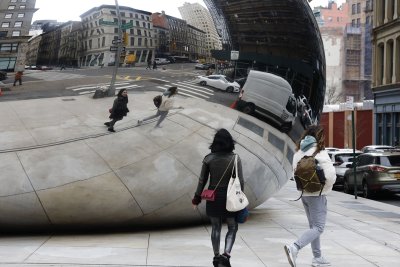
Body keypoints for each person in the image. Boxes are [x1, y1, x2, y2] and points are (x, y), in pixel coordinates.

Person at [284, 125, 336, 267]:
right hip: (317, 194)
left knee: (313, 226)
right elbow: (330, 175)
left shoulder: (298, 152)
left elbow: (294, 175)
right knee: (318, 227)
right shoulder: (320, 152)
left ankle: (317, 257)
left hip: (305, 194)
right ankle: (294, 247)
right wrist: (325, 188)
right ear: (319, 137)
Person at [192, 129, 244, 267]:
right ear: (230, 142)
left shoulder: (208, 159)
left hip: (213, 198)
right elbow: (240, 181)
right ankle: (226, 256)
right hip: (230, 198)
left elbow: (202, 180)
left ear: (215, 142)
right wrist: (241, 200)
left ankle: (216, 257)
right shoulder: (235, 158)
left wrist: (196, 198)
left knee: (216, 227)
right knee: (232, 227)